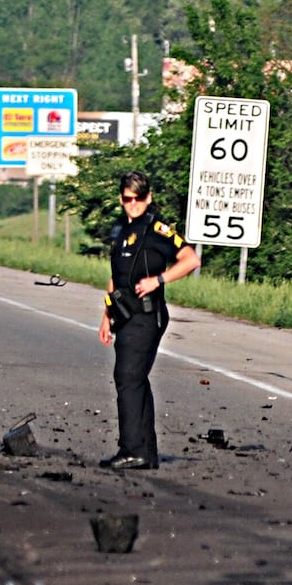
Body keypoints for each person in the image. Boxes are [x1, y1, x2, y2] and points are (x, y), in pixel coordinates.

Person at [95, 171, 200, 470]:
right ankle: (146, 452)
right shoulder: (118, 230)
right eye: (128, 199)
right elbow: (116, 277)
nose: (134, 204)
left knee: (127, 378)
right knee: (133, 379)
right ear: (121, 199)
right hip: (125, 313)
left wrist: (159, 279)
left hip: (147, 313)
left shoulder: (157, 229)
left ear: (148, 197)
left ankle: (132, 449)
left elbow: (191, 260)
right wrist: (106, 315)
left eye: (139, 198)